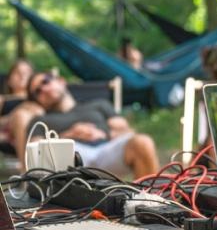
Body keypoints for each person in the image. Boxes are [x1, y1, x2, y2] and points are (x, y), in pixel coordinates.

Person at [13, 70, 159, 179]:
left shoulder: (99, 105)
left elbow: (127, 131)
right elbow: (35, 151)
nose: (44, 89)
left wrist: (104, 134)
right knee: (60, 154)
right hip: (70, 160)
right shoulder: (41, 120)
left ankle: (149, 205)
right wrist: (69, 135)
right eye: (37, 92)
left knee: (142, 142)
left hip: (106, 150)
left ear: (61, 81)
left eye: (46, 81)